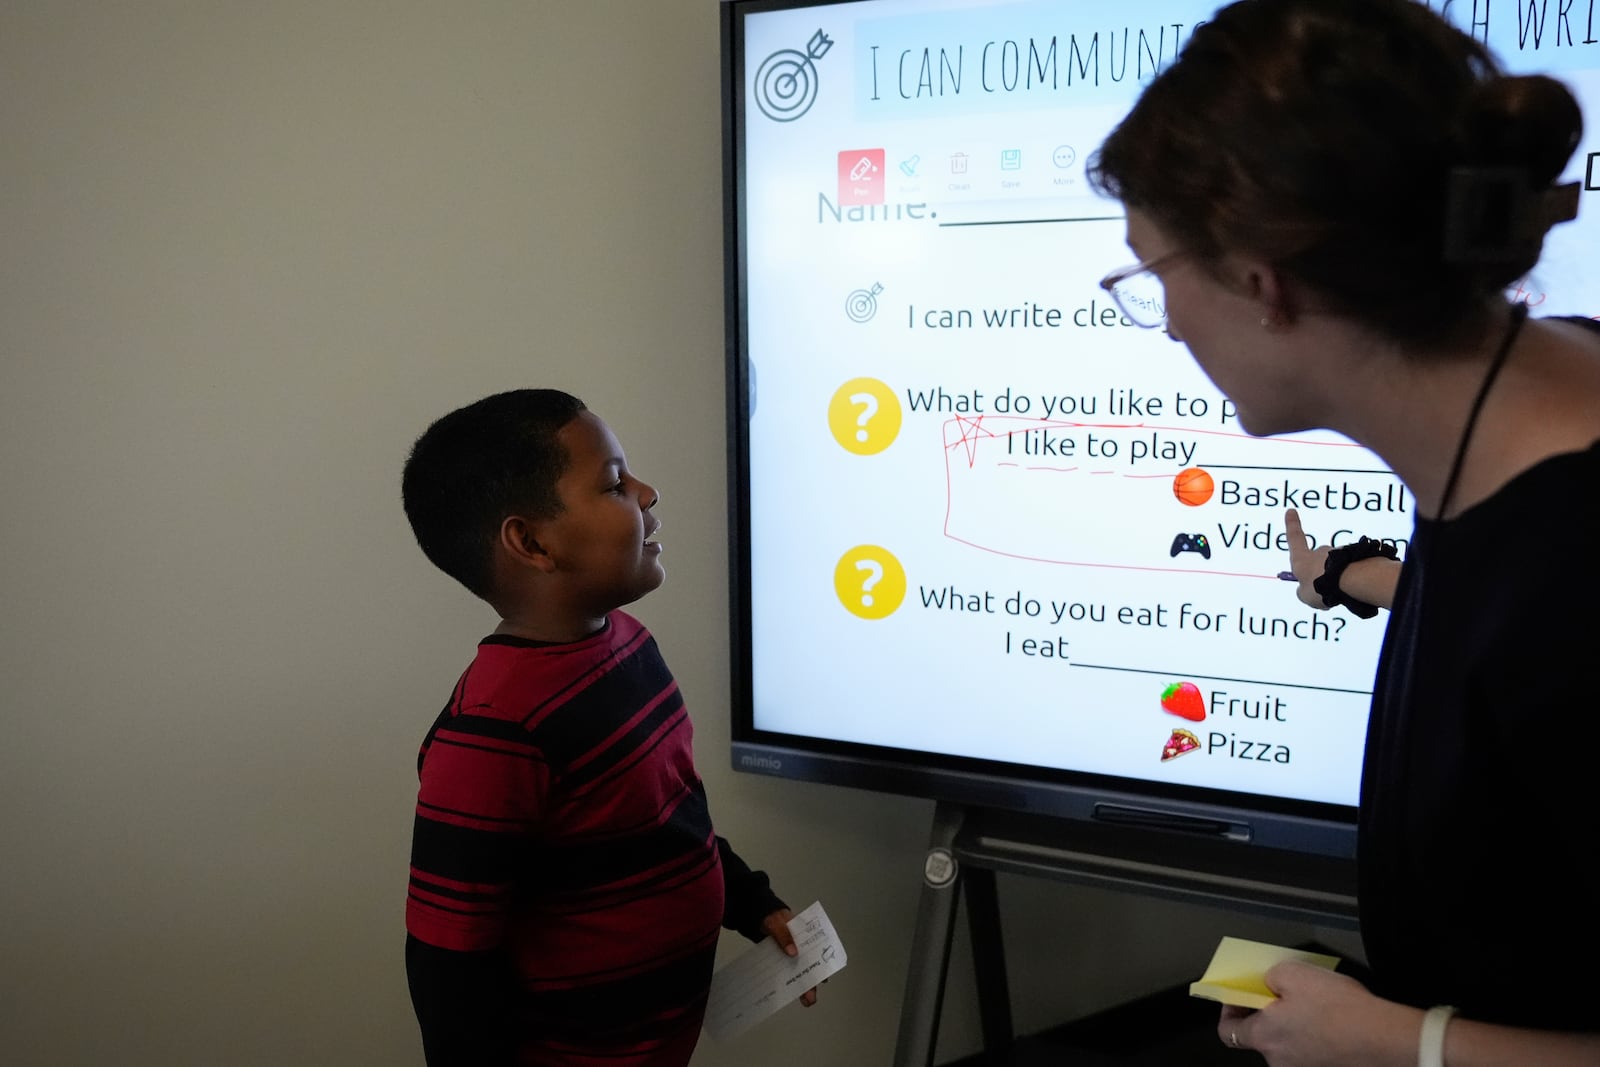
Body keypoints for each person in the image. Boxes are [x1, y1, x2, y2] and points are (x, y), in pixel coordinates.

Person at [1087, 1, 1600, 1064]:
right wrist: (1366, 579)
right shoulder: (1529, 407)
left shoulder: (1577, 563)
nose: (1170, 321)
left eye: (1153, 275)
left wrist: (1406, 1041)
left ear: (1261, 285)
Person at [399, 388, 813, 1066]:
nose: (648, 493)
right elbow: (447, 967)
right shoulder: (492, 734)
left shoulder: (629, 642)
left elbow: (671, 818)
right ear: (531, 542)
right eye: (616, 483)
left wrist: (753, 901)